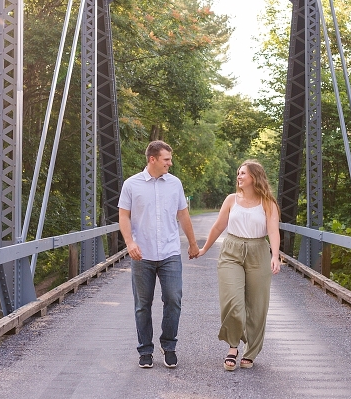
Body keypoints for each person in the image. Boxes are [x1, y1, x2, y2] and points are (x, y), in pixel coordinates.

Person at [118, 140, 200, 369]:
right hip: (141, 254)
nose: (170, 163)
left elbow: (183, 215)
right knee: (142, 304)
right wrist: (129, 242)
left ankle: (169, 345)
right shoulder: (131, 185)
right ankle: (145, 350)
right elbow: (123, 216)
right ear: (152, 159)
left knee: (173, 299)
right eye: (166, 159)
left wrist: (193, 244)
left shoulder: (175, 184)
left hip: (169, 251)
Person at [192, 160, 280, 370]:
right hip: (231, 250)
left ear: (254, 177)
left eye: (243, 174)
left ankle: (251, 351)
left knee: (257, 306)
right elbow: (218, 226)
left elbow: (274, 231)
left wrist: (275, 255)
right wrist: (204, 248)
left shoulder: (268, 202)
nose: (239, 177)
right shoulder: (231, 200)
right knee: (233, 301)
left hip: (258, 250)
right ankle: (233, 346)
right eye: (238, 173)